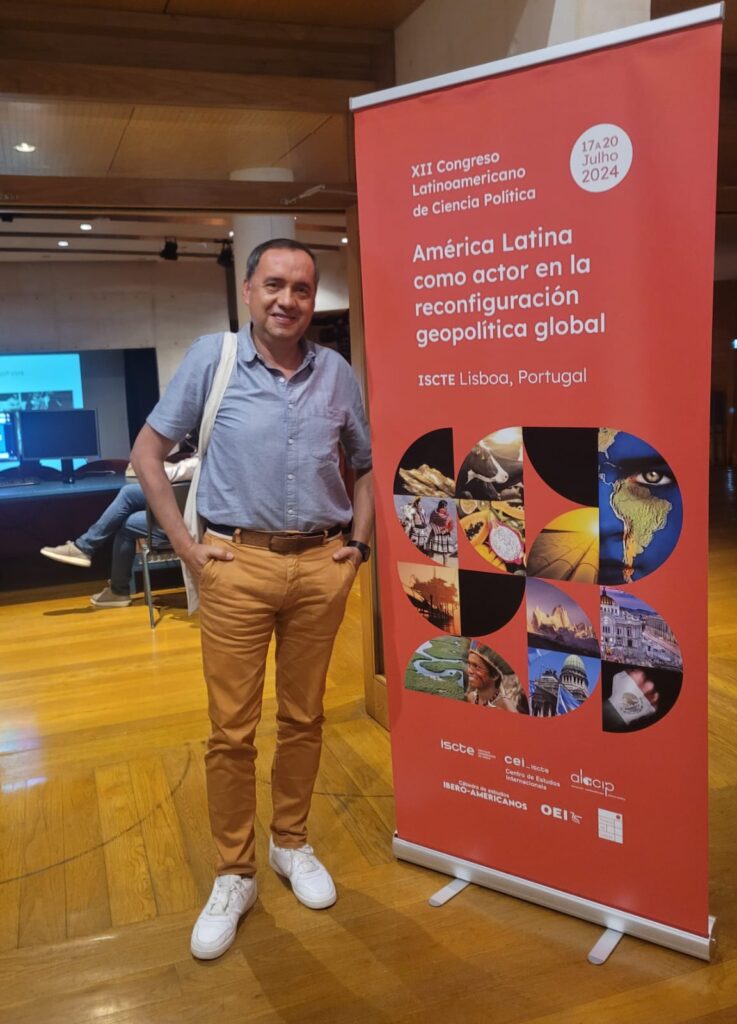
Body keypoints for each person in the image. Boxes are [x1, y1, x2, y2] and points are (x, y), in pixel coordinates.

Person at [130, 238, 373, 961]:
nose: (286, 300)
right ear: (247, 291)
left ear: (313, 298)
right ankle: (233, 872)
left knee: (304, 718)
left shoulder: (336, 372)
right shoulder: (215, 358)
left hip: (320, 567)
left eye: (301, 288)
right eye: (273, 284)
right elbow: (147, 453)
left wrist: (358, 547)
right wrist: (186, 547)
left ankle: (289, 842)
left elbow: (365, 465)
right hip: (235, 565)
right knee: (231, 733)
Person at [39, 452, 198, 607]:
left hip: (187, 519)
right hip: (184, 502)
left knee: (126, 523)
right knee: (128, 495)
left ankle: (114, 585)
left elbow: (192, 468)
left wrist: (150, 469)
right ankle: (86, 550)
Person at [465, 642, 529, 713]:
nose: (469, 670)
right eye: (469, 664)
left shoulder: (505, 707)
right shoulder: (471, 697)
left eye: (477, 667)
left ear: (495, 675)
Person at [426, 499, 455, 565]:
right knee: (440, 553)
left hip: (439, 535)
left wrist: (444, 530)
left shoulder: (442, 514)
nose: (446, 507)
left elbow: (451, 525)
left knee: (436, 553)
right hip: (439, 535)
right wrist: (442, 529)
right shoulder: (438, 514)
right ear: (443, 506)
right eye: (445, 506)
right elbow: (431, 522)